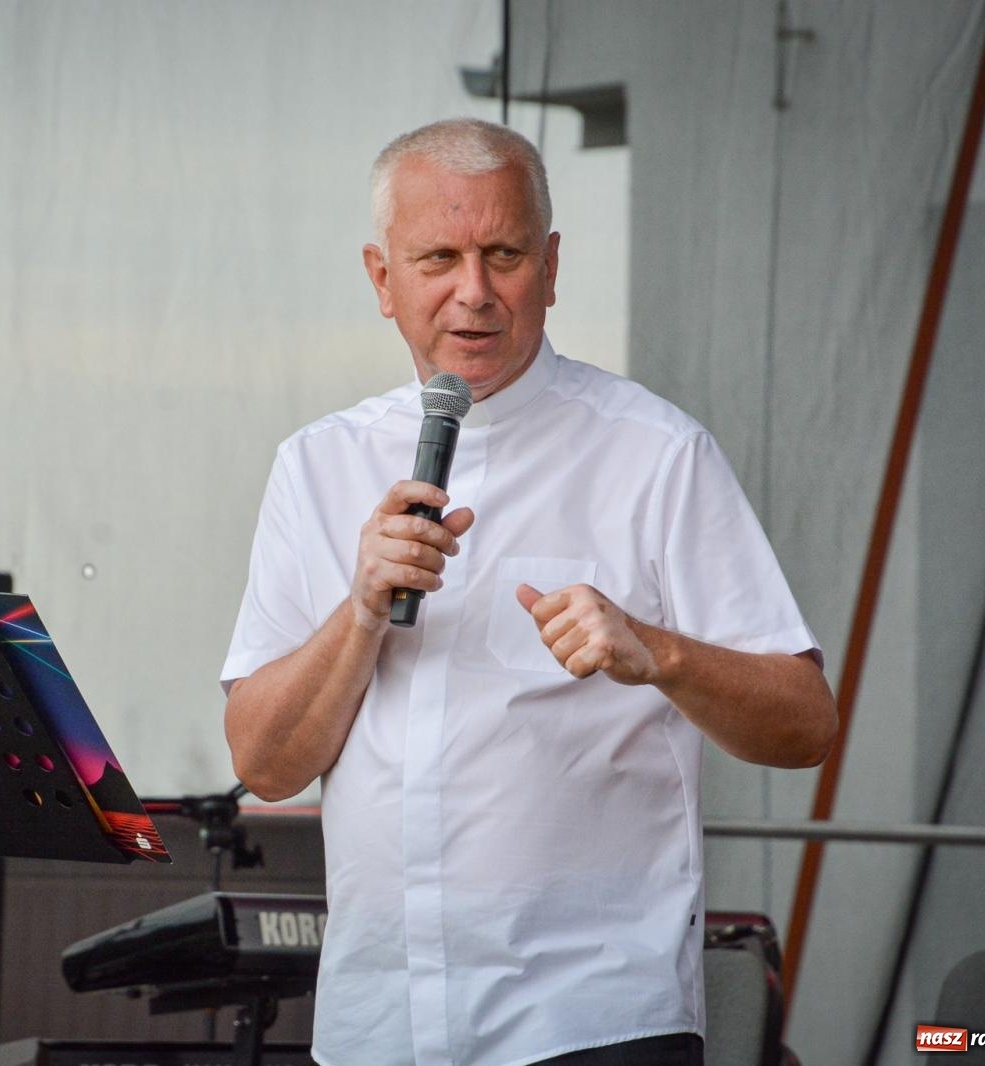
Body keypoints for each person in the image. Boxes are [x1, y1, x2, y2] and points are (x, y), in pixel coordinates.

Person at [220, 118, 836, 1066]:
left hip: (590, 1019)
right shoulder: (316, 465)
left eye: (503, 255)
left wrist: (659, 653)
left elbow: (805, 725)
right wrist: (360, 613)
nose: (474, 291)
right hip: (380, 1025)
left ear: (550, 269)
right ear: (382, 279)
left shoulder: (655, 453)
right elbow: (265, 765)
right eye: (439, 258)